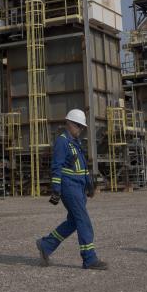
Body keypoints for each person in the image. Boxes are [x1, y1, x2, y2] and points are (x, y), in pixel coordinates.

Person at [35, 109, 108, 270]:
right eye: (78, 126)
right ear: (69, 124)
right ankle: (89, 259)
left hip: (79, 188)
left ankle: (46, 245)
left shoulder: (75, 142)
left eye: (82, 127)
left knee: (73, 222)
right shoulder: (62, 141)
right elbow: (57, 167)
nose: (80, 130)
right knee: (84, 222)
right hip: (69, 188)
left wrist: (89, 186)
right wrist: (56, 190)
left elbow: (81, 168)